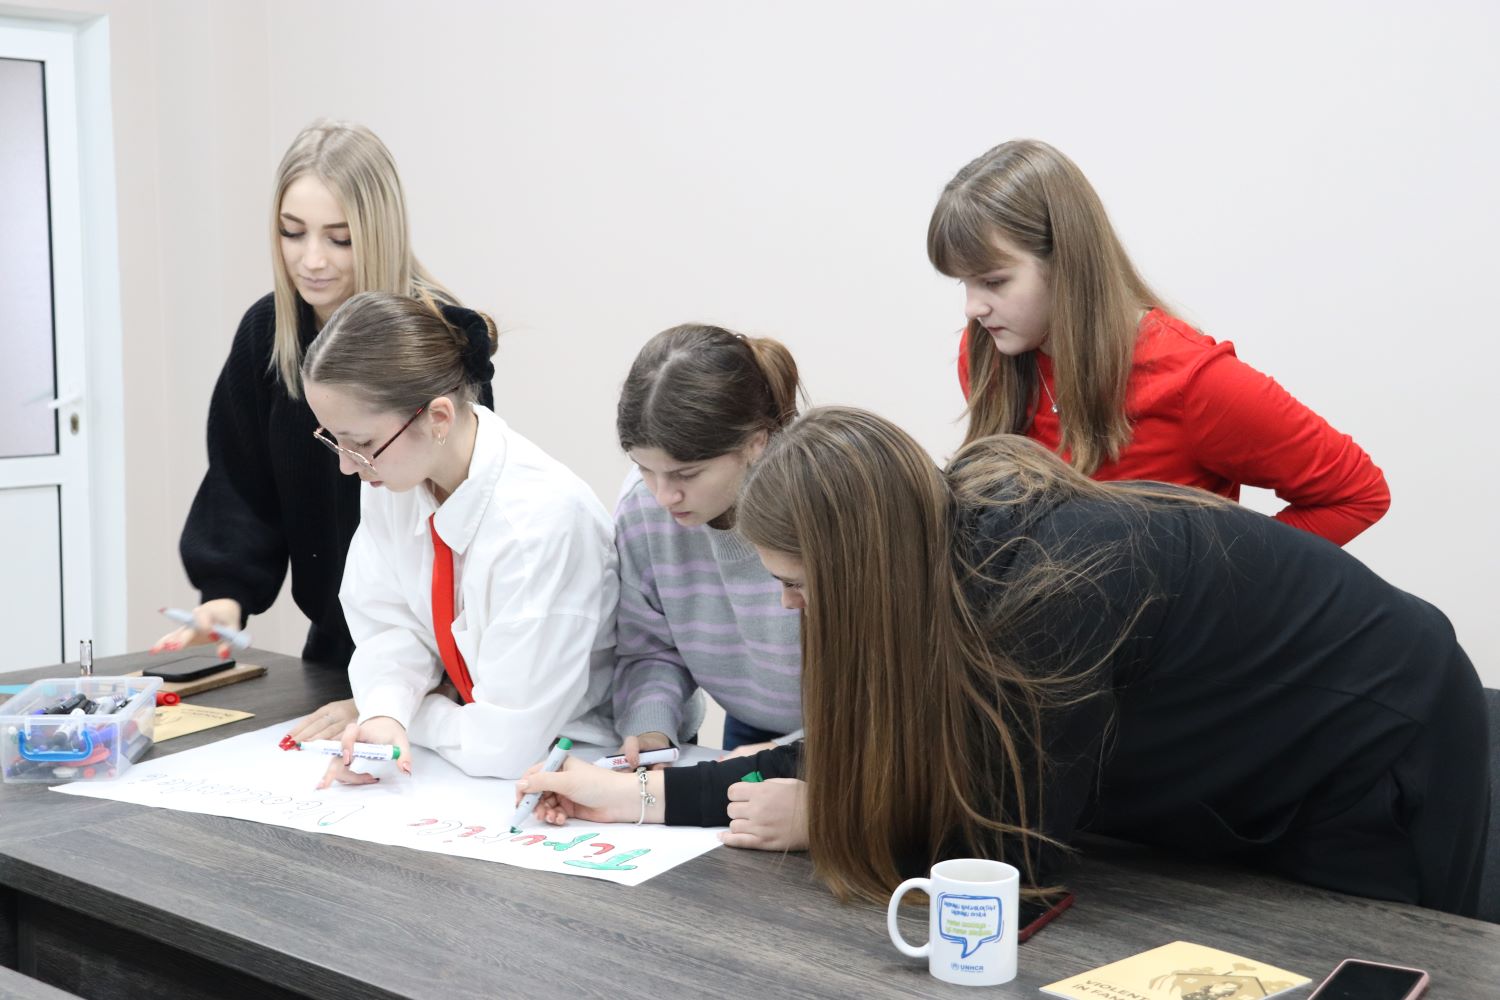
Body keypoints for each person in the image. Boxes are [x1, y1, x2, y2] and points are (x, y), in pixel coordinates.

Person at [517, 407, 1488, 917]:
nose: (787, 606)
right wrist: (635, 795)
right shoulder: (943, 544)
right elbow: (867, 745)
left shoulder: (1047, 596)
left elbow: (1014, 857)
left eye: (798, 584)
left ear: (860, 568)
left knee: (1352, 957)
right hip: (1252, 775)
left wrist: (829, 821)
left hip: (1378, 747)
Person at [153, 120, 490, 745]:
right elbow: (239, 482)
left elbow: (466, 536)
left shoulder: (437, 339)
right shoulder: (268, 333)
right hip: (334, 652)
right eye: (292, 232)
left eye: (339, 238)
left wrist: (394, 697)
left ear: (379, 232)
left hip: (434, 669)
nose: (311, 260)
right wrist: (226, 596)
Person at [929, 139, 1388, 546]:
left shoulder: (1195, 384)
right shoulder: (986, 357)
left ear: (1066, 263)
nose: (973, 308)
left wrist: (1223, 585)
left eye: (994, 281)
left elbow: (1357, 493)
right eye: (964, 284)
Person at [299, 292, 615, 783]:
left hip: (576, 764)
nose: (345, 465)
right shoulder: (395, 477)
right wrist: (386, 712)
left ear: (439, 419)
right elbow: (390, 624)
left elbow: (505, 745)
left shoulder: (540, 524)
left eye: (360, 443)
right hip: (461, 758)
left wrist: (411, 710)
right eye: (333, 439)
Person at [612, 324, 805, 764]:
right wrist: (650, 726)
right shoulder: (643, 509)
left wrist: (785, 755)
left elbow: (883, 686)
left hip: (853, 732)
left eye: (686, 474)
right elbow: (650, 646)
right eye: (645, 469)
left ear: (755, 442)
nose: (664, 496)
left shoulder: (821, 510)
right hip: (748, 724)